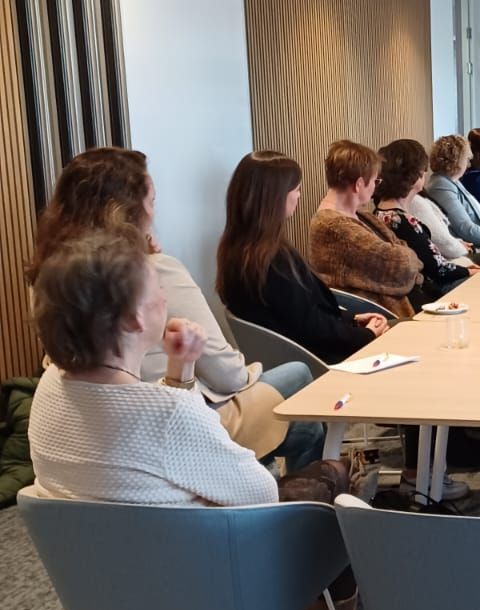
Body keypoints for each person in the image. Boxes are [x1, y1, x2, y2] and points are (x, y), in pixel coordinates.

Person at [26, 229, 398, 610]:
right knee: (335, 487)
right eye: (155, 290)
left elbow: (145, 452)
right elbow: (259, 494)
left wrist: (180, 372)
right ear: (136, 318)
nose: (165, 298)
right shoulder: (166, 418)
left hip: (109, 597)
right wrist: (182, 393)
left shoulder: (49, 392)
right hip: (208, 596)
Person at [27, 146, 322, 474]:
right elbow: (227, 374)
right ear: (127, 211)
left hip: (97, 429)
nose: (155, 213)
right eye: (152, 202)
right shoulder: (155, 272)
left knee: (297, 418)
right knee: (298, 386)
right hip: (169, 420)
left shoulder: (47, 279)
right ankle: (296, 501)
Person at [217, 151, 390, 364]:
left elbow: (297, 314)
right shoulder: (271, 260)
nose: (299, 196)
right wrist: (366, 335)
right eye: (296, 190)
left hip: (303, 354)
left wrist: (352, 319)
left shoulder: (238, 252)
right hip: (320, 360)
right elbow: (311, 328)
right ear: (275, 197)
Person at [309, 140, 422, 320]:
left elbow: (403, 251)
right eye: (375, 180)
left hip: (393, 310)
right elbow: (403, 265)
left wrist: (409, 258)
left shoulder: (358, 214)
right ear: (359, 184)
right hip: (378, 320)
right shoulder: (333, 227)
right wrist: (409, 259)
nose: (376, 186)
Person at [374, 139, 472, 305]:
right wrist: (468, 271)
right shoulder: (403, 221)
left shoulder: (379, 213)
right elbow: (437, 268)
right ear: (415, 175)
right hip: (430, 292)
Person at [424, 133, 480, 265]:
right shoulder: (440, 185)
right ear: (457, 160)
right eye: (466, 159)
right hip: (466, 252)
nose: (469, 164)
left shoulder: (453, 181)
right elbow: (465, 228)